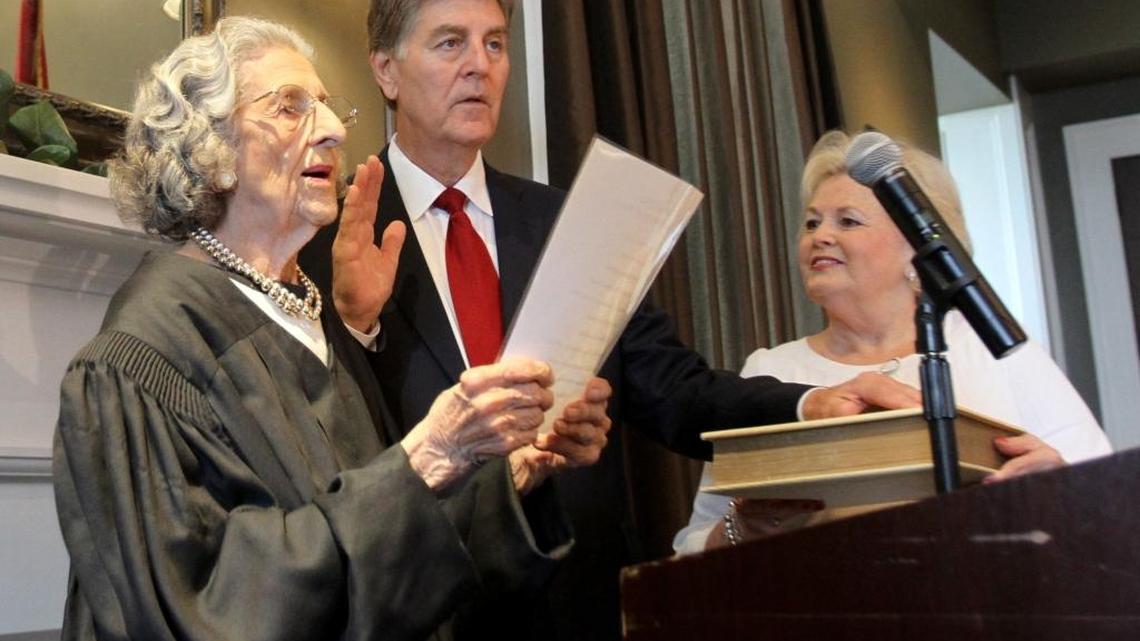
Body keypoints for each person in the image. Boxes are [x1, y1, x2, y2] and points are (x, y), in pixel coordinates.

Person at [298, 2, 922, 639]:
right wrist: (357, 326)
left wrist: (809, 406)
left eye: (494, 44)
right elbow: (321, 438)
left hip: (580, 595)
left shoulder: (570, 221)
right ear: (386, 70)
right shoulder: (326, 239)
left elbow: (679, 390)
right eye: (450, 44)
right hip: (427, 607)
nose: (479, 68)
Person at [52, 17, 613, 641]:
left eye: (325, 105)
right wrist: (426, 454)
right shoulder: (140, 357)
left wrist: (515, 474)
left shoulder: (310, 313)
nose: (334, 128)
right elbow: (202, 608)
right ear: (208, 152)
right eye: (290, 108)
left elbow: (383, 552)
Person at [673, 131, 1115, 554]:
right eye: (811, 222)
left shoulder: (991, 352)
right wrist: (744, 528)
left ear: (918, 249)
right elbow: (691, 550)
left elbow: (1107, 505)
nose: (818, 236)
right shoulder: (771, 373)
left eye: (848, 220)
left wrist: (1054, 486)